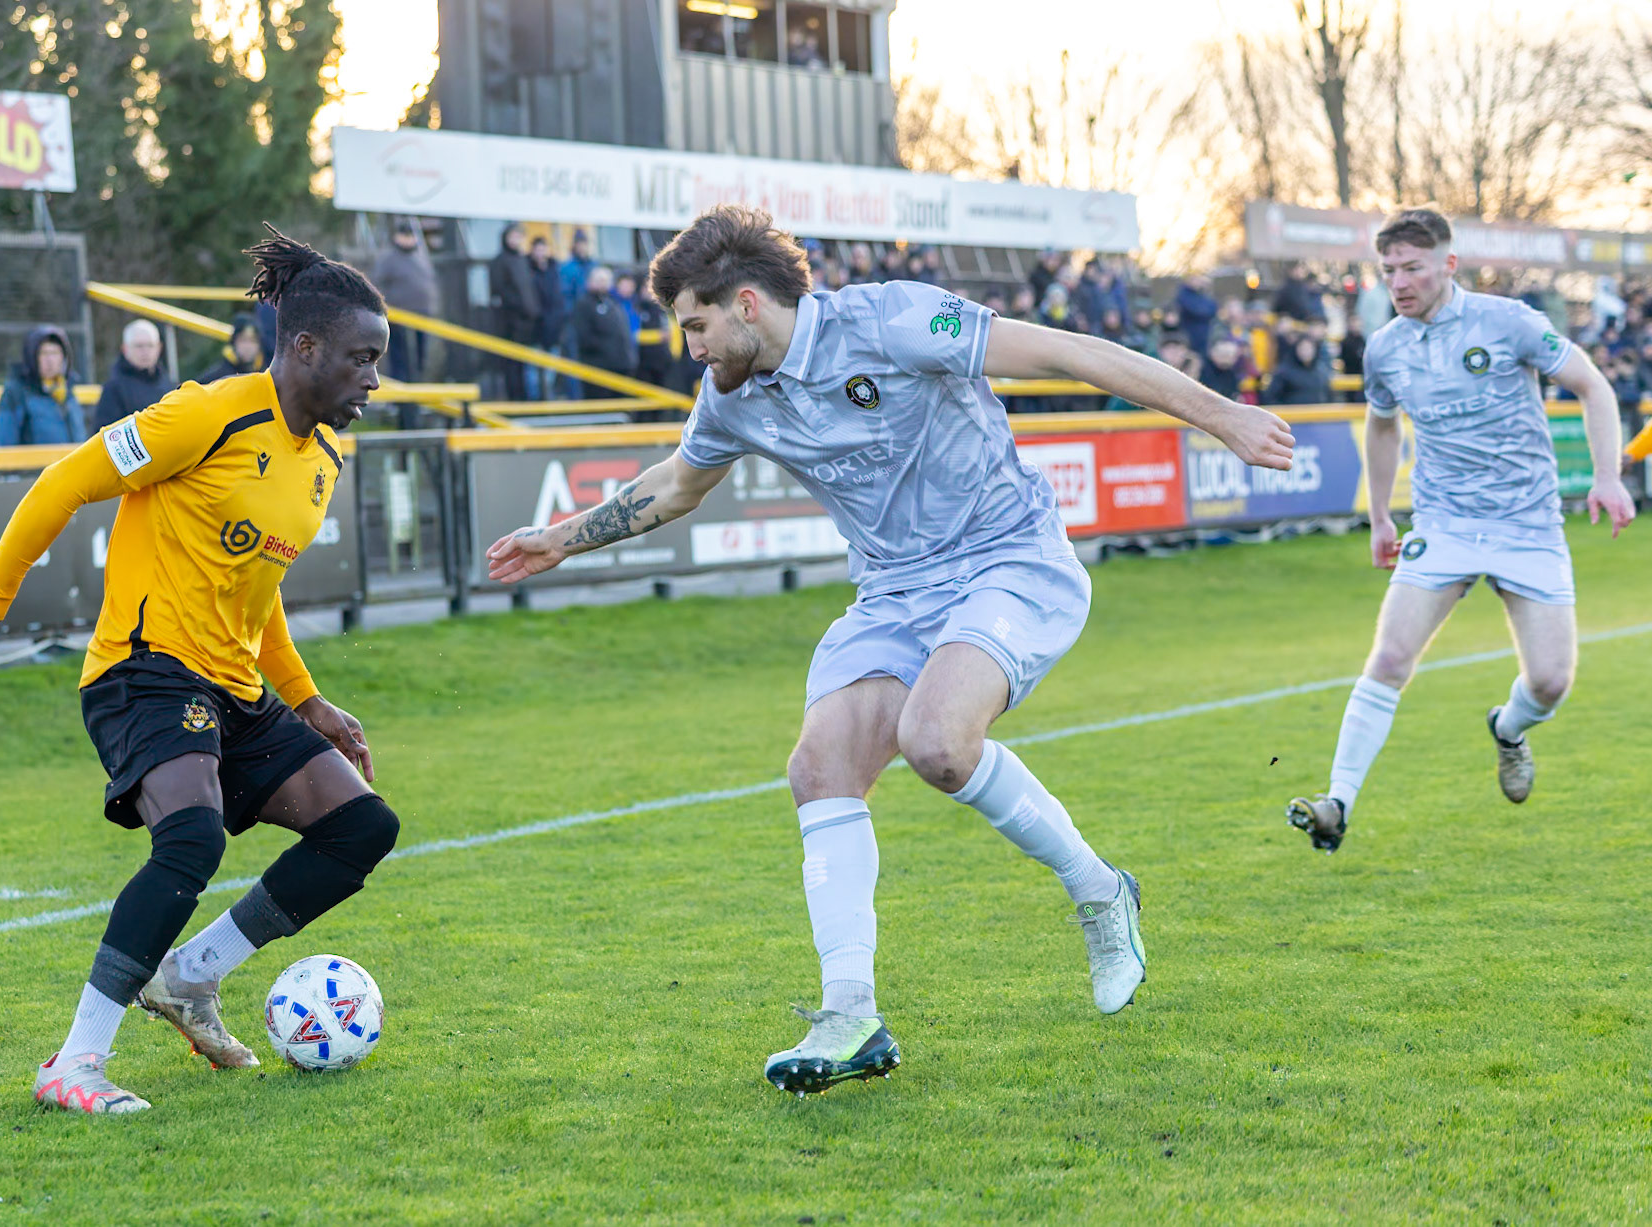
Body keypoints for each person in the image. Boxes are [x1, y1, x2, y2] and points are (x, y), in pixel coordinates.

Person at [485, 205, 1295, 1096]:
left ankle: (1101, 893)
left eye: (696, 326)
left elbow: (1070, 353)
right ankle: (850, 1013)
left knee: (938, 743)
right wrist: (564, 536)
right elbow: (678, 484)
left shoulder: (896, 320)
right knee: (819, 765)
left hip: (1006, 558)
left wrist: (1221, 414)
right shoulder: (730, 395)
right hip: (892, 593)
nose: (691, 350)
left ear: (746, 303)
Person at [0, 226, 399, 1115]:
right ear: (305, 346)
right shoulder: (204, 414)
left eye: (380, 362)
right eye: (363, 358)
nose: (374, 379)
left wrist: (308, 700)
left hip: (235, 686)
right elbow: (64, 480)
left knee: (362, 826)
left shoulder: (323, 456)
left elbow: (259, 590)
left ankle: (189, 977)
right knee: (192, 839)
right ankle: (73, 1062)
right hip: (144, 669)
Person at [1286, 209, 1636, 854]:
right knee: (1390, 658)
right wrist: (1384, 513)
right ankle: (1337, 802)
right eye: (1388, 269)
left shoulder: (1509, 323)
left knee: (1550, 682)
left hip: (1528, 524)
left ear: (1449, 264)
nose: (1399, 281)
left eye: (1413, 268)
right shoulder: (1386, 346)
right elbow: (1384, 423)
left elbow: (1593, 386)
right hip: (1444, 522)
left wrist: (1608, 477)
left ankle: (1507, 729)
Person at [370, 221, 440, 391]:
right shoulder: (388, 258)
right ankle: (398, 395)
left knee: (421, 357)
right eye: (405, 235)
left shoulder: (421, 256)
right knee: (400, 357)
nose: (408, 239)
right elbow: (376, 283)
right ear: (397, 236)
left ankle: (418, 391)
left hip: (422, 313)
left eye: (411, 235)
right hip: (398, 316)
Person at [0, 326, 86, 446]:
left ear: (64, 358)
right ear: (32, 357)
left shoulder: (67, 390)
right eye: (43, 353)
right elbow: (4, 444)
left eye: (55, 353)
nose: (50, 360)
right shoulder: (16, 391)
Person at [488, 223, 541, 401]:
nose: (516, 240)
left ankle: (524, 398)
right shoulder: (500, 261)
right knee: (511, 365)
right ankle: (515, 399)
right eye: (513, 236)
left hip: (526, 322)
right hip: (510, 322)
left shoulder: (522, 260)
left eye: (519, 236)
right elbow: (501, 291)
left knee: (524, 365)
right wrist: (520, 309)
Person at [93, 320, 172, 432]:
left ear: (159, 348)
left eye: (150, 345)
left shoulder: (168, 384)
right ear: (125, 349)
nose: (145, 351)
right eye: (139, 346)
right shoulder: (114, 388)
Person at [573, 265, 634, 397]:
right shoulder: (584, 304)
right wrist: (606, 348)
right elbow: (584, 337)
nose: (603, 284)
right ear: (590, 281)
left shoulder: (613, 302)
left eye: (606, 280)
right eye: (599, 280)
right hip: (598, 369)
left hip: (620, 366)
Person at [529, 236, 567, 400]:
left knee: (549, 373)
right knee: (532, 374)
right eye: (537, 248)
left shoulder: (555, 270)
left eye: (543, 248)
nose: (540, 252)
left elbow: (559, 300)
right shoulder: (527, 270)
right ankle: (535, 402)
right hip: (534, 329)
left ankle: (547, 402)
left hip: (554, 328)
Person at [1262, 333, 1333, 406]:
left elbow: (1328, 395)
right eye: (1302, 348)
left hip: (1319, 414)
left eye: (1309, 348)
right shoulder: (1284, 371)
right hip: (1292, 415)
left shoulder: (1321, 370)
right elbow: (1270, 398)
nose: (1305, 352)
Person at [198, 314, 268, 384]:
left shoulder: (265, 374)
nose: (248, 346)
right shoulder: (217, 377)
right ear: (234, 342)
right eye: (243, 340)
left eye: (253, 341)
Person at [1175, 274, 1218, 358]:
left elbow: (1213, 308)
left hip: (1204, 335)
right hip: (1188, 334)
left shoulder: (1203, 295)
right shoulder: (1183, 295)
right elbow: (1196, 310)